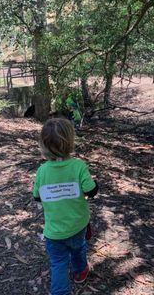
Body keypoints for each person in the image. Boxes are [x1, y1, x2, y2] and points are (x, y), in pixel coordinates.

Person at [33, 118, 98, 295]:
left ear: (43, 145)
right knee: (78, 249)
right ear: (70, 142)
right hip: (78, 226)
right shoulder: (78, 166)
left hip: (54, 232)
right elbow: (91, 190)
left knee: (59, 263)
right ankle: (80, 271)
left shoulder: (42, 171)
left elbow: (37, 196)